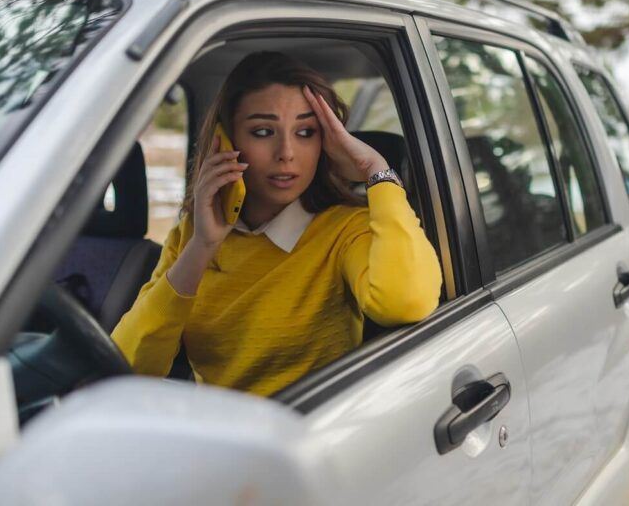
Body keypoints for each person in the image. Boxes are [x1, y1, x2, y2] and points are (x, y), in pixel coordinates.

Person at [111, 51, 442, 396]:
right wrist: (202, 246)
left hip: (306, 435)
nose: (286, 152)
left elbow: (407, 302)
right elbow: (130, 366)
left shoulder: (347, 228)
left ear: (325, 143)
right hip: (212, 434)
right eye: (264, 131)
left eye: (305, 132)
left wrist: (377, 170)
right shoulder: (192, 235)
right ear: (226, 141)